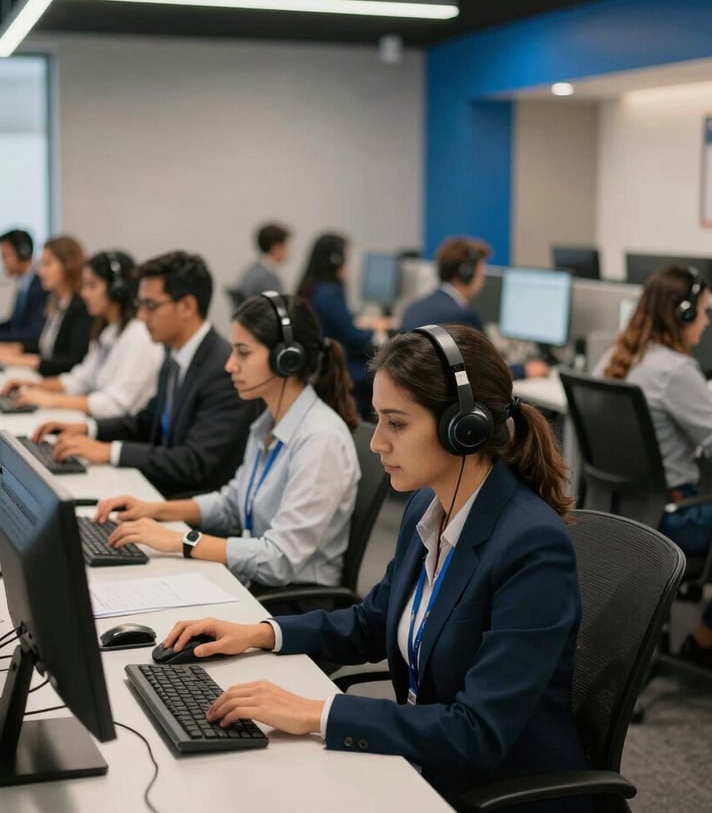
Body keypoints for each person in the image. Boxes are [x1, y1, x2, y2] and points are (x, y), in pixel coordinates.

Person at [160, 323, 590, 812]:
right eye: (378, 420)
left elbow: (477, 732)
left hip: (491, 790)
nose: (377, 442)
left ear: (464, 428)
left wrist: (315, 712)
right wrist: (259, 632)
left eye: (397, 423)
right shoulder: (428, 508)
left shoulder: (531, 548)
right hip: (424, 762)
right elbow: (371, 622)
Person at [93, 293, 361, 591]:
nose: (229, 365)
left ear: (287, 360)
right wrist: (154, 509)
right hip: (250, 582)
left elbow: (279, 560)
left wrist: (181, 540)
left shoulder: (320, 441)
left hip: (292, 605)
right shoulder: (267, 423)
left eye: (243, 353)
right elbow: (231, 504)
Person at [32, 250, 257, 498]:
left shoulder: (222, 369)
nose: (141, 315)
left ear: (187, 306)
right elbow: (145, 423)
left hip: (190, 504)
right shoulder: (175, 355)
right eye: (141, 305)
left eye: (150, 306)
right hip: (163, 489)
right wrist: (87, 429)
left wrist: (110, 452)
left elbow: (194, 462)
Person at [594, 264, 712, 669]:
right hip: (672, 516)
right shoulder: (678, 371)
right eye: (704, 311)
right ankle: (706, 634)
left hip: (620, 510)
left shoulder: (614, 355)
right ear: (682, 314)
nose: (707, 321)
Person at [0, 251, 163, 418]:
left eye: (92, 286)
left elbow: (115, 404)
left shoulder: (138, 336)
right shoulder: (108, 330)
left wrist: (52, 400)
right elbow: (80, 379)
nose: (84, 293)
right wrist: (36, 386)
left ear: (117, 290)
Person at [400, 236, 549, 380]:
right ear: (466, 273)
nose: (482, 278)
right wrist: (524, 370)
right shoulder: (463, 317)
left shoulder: (413, 308)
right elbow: (489, 371)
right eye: (480, 271)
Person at [297, 233, 394, 417]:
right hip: (339, 368)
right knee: (384, 365)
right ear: (336, 260)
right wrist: (378, 334)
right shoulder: (330, 292)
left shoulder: (311, 287)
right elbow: (353, 338)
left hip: (319, 367)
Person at [0, 235, 93, 376]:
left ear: (67, 265)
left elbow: (72, 361)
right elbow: (44, 346)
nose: (40, 271)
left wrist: (23, 360)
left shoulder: (81, 307)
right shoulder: (56, 302)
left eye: (47, 264)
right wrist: (14, 350)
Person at [236, 221, 291, 300]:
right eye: (286, 246)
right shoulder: (268, 278)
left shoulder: (253, 270)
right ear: (276, 248)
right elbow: (280, 308)